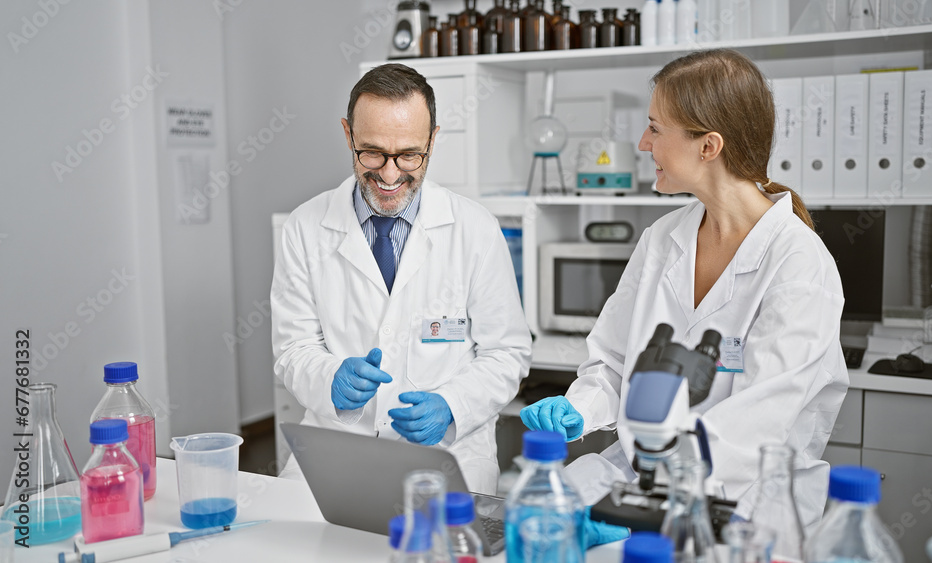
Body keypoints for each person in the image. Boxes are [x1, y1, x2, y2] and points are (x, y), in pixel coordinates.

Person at [520, 49, 849, 532]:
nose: (642, 142)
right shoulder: (663, 238)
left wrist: (643, 509)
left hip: (745, 507)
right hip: (639, 478)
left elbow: (756, 427)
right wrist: (579, 406)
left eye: (655, 128)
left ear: (708, 146)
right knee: (530, 518)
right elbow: (614, 360)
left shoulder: (799, 264)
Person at [271, 63, 531, 495]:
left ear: (432, 140)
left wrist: (452, 405)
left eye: (409, 155)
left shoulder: (476, 229)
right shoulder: (305, 226)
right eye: (371, 152)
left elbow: (508, 353)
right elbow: (292, 349)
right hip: (337, 448)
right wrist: (329, 377)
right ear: (348, 134)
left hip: (448, 455)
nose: (390, 175)